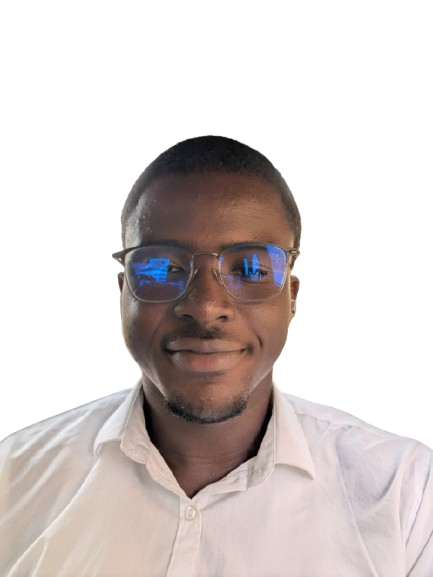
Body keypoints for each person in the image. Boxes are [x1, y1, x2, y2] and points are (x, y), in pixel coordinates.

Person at [0, 136, 431, 577]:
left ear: (292, 296)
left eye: (250, 269)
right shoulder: (11, 476)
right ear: (123, 292)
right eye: (162, 267)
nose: (205, 307)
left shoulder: (406, 490)